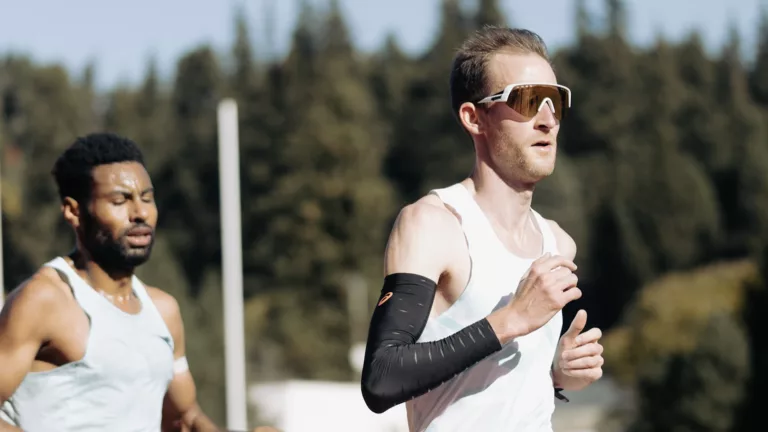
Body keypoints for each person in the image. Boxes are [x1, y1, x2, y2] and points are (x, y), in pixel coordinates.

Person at [360, 26, 605, 431]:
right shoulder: (434, 225)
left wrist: (558, 374)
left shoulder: (558, 243)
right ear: (475, 118)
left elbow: (499, 391)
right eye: (527, 100)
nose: (547, 119)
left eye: (555, 100)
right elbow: (382, 377)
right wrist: (512, 319)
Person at [0, 133, 277, 432]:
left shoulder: (163, 310)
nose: (140, 213)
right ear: (74, 211)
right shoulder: (45, 300)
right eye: (120, 201)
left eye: (147, 198)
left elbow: (183, 419)